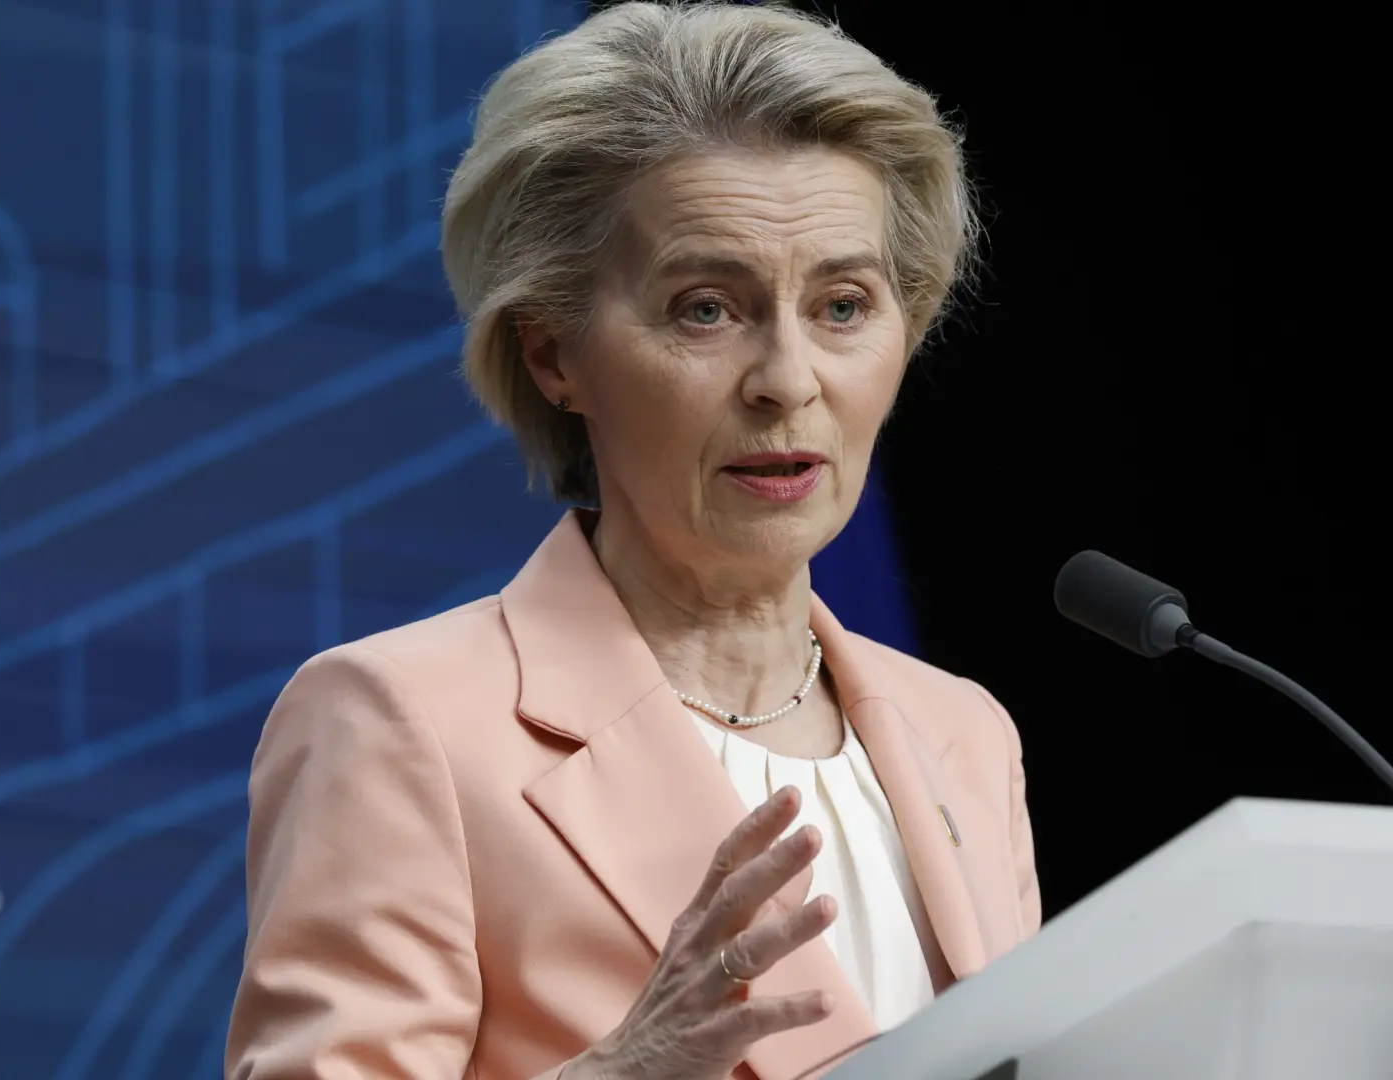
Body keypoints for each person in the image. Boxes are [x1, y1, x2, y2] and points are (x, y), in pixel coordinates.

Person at [225, 4, 1041, 1078]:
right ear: (553, 352)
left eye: (844, 306)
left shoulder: (963, 734)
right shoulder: (399, 723)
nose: (787, 380)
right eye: (706, 309)